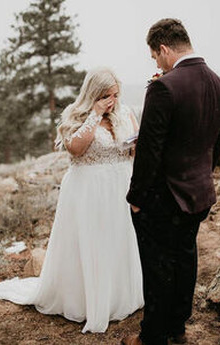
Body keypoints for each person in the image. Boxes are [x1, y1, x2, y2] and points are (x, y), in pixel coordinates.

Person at [0, 67, 143, 333]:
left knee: (118, 238)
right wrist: (94, 115)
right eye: (106, 95)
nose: (112, 101)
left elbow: (134, 151)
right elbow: (75, 148)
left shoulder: (125, 113)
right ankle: (86, 301)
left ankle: (119, 296)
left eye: (115, 95)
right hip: (89, 191)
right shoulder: (77, 115)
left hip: (120, 186)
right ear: (94, 94)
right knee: (93, 240)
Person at [121, 18, 220, 345]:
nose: (156, 64)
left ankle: (152, 336)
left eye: (154, 57)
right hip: (199, 193)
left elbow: (149, 150)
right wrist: (205, 172)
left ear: (163, 48)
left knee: (157, 267)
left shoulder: (165, 86)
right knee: (185, 258)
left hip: (164, 197)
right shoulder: (216, 81)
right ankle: (177, 326)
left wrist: (136, 197)